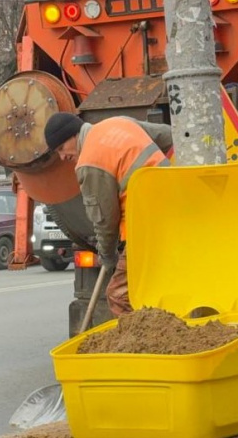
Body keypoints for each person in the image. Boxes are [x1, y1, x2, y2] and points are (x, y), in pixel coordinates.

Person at [43, 113, 173, 317]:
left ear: (73, 135)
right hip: (177, 207)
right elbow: (170, 136)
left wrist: (108, 256)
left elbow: (104, 221)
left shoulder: (90, 161)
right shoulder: (120, 123)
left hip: (148, 224)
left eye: (61, 148)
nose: (62, 157)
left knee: (118, 295)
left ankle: (139, 346)